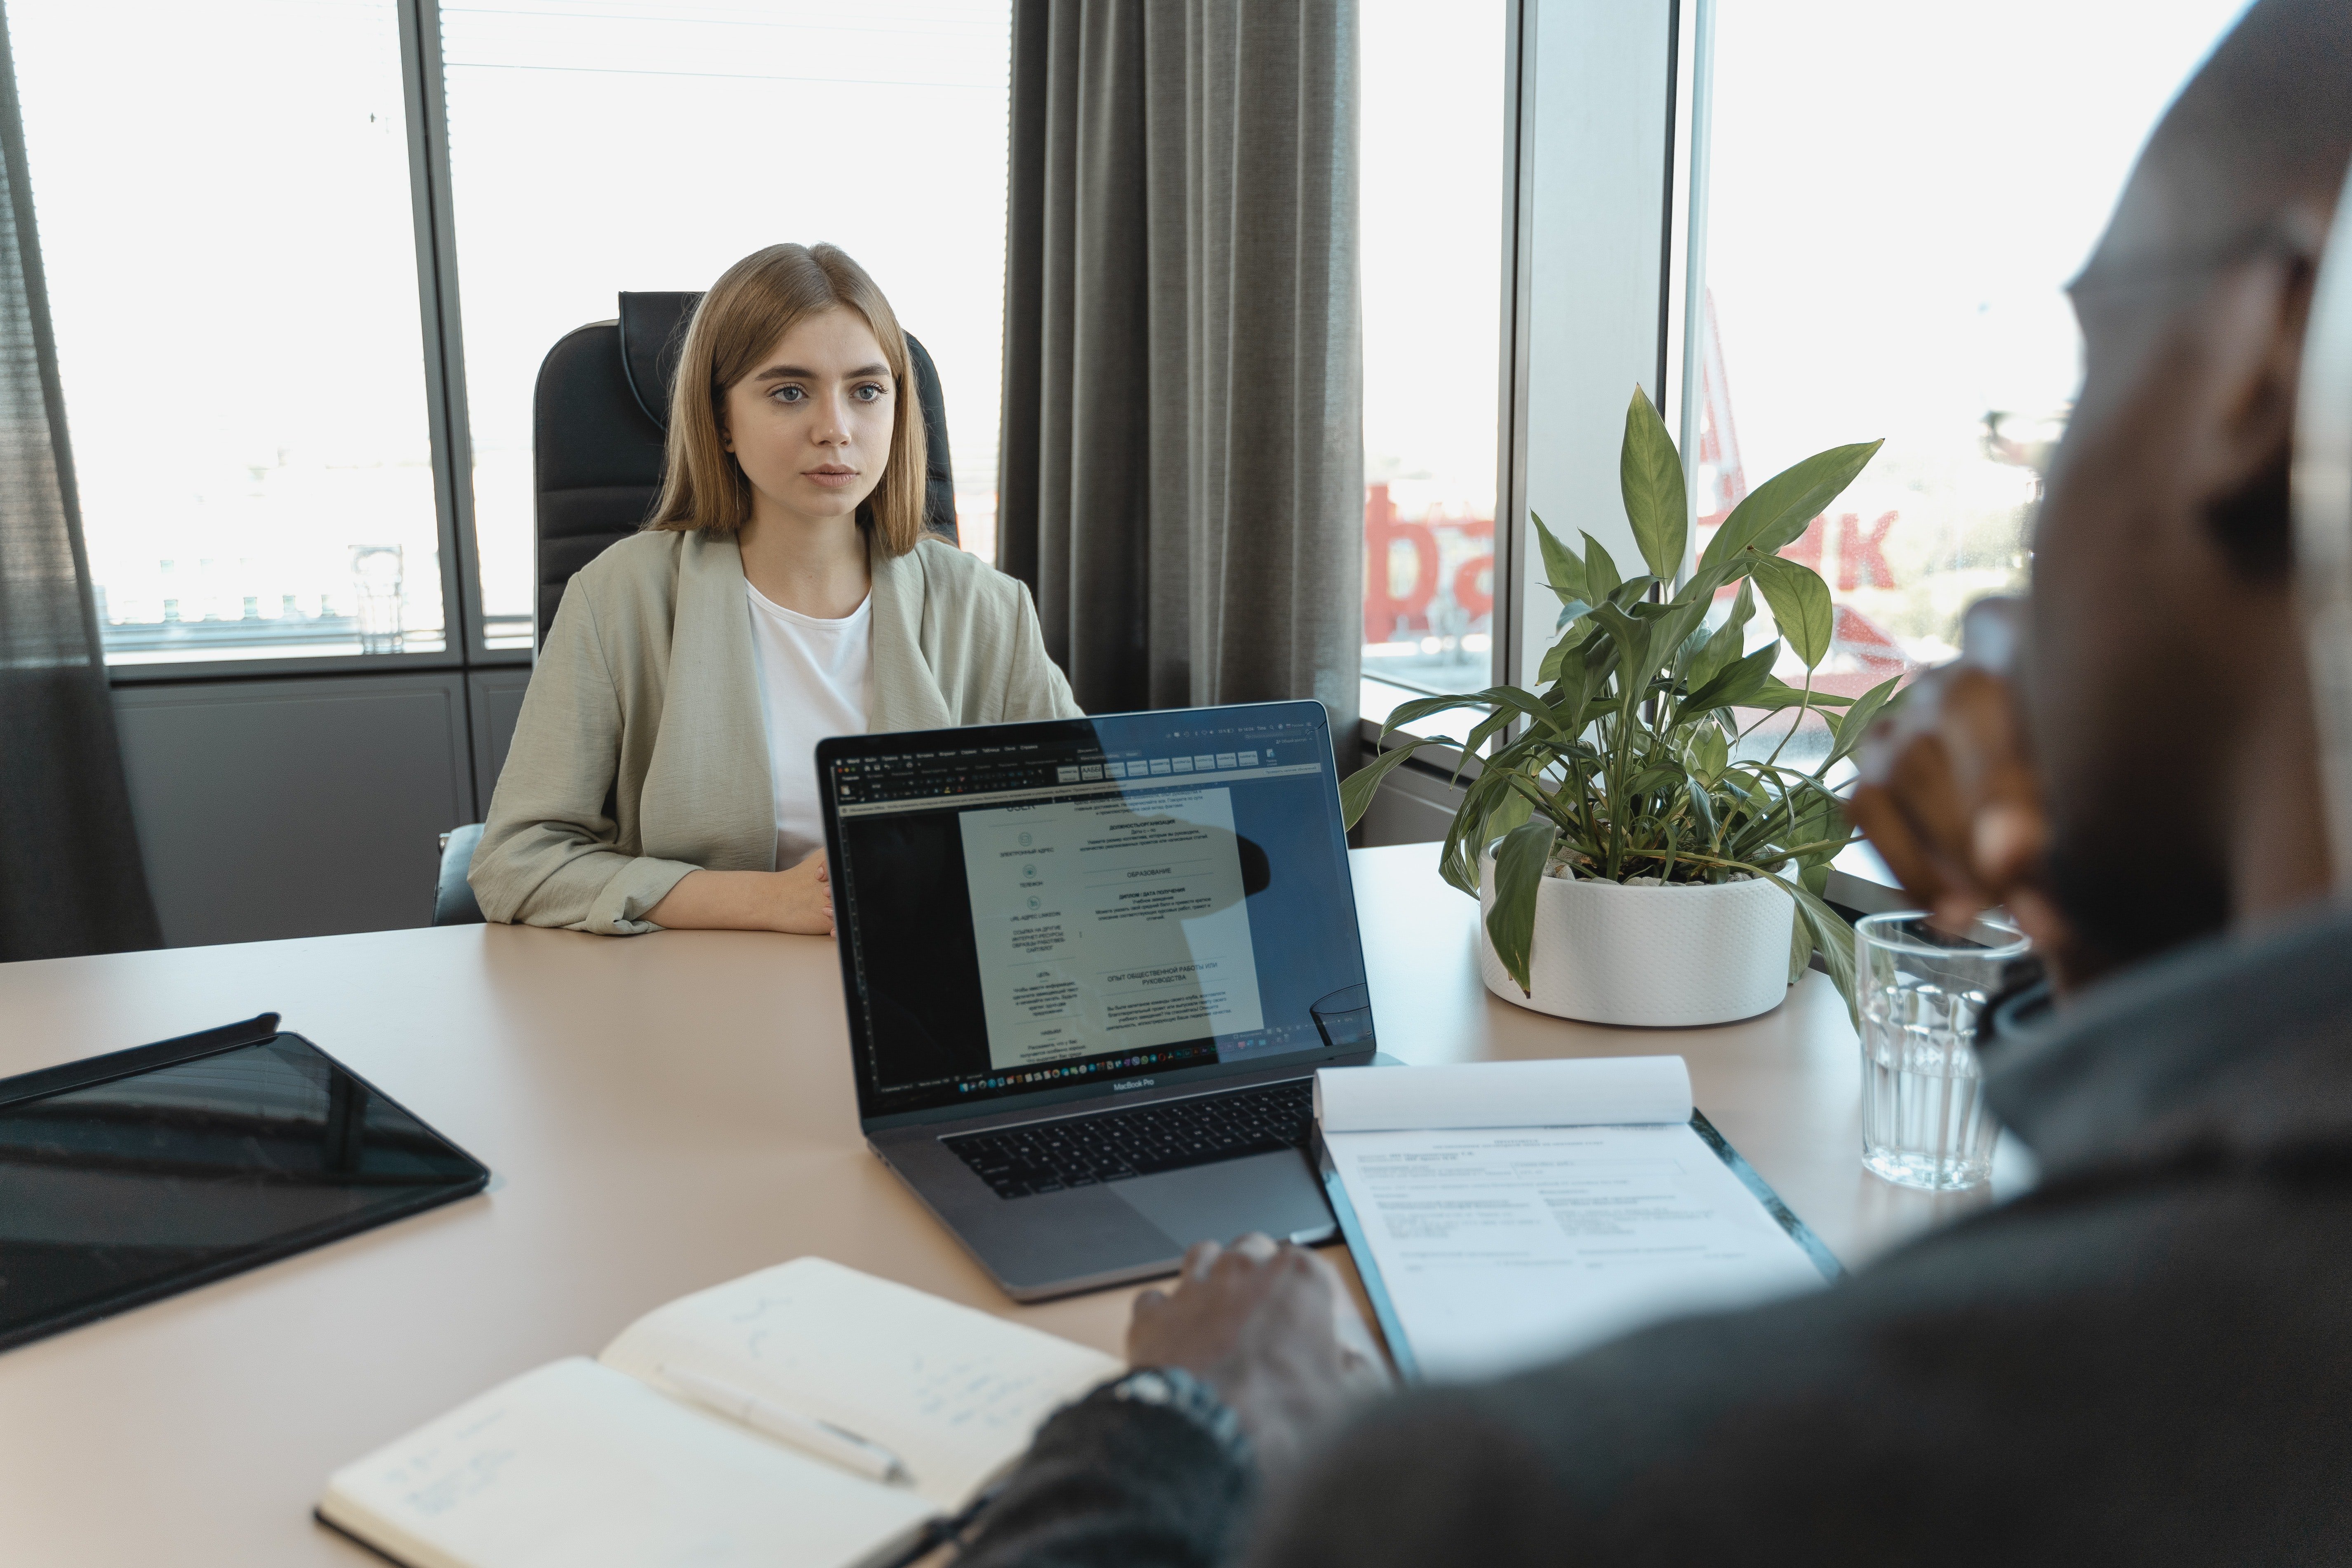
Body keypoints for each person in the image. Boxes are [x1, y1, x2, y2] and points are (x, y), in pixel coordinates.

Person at [950, 2, 2352, 1561]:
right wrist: (2104, 908)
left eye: (2088, 360)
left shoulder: (1551, 1492)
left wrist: (1173, 1421)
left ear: (2255, 367)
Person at [469, 244, 1079, 937]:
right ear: (722, 419)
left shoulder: (988, 609)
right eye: (790, 392)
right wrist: (774, 902)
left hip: (925, 995)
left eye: (867, 390)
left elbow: (1089, 823)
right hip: (695, 997)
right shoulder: (619, 598)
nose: (836, 430)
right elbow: (517, 860)